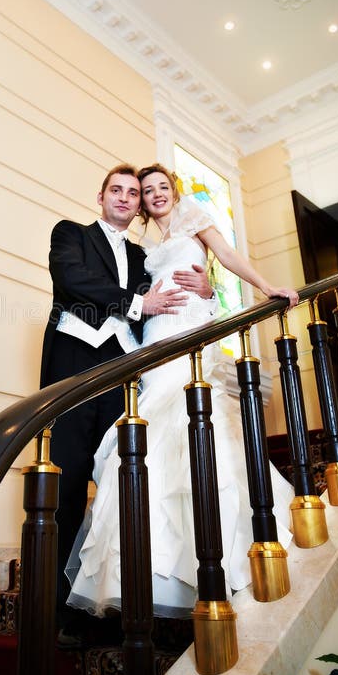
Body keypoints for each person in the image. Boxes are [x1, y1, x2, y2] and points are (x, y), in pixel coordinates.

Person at [65, 163, 299, 619]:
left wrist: (258, 288)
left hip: (188, 329)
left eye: (160, 187)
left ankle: (223, 560)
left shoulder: (194, 217)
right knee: (146, 439)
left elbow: (227, 257)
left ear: (174, 191)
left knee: (196, 429)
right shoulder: (144, 247)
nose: (153, 194)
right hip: (153, 338)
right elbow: (127, 296)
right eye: (145, 190)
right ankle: (147, 573)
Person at [40, 164, 215, 645]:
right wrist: (137, 306)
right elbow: (73, 281)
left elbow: (174, 290)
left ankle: (122, 603)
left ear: (140, 205)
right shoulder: (70, 234)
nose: (125, 198)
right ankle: (62, 616)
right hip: (75, 368)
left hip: (126, 373)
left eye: (133, 193)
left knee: (126, 483)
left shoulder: (143, 255)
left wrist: (208, 289)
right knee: (69, 485)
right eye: (116, 190)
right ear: (101, 197)